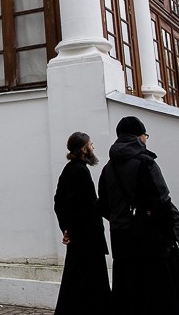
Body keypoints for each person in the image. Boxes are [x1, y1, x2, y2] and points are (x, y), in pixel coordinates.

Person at [98, 116, 179, 315]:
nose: (146, 139)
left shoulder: (107, 169)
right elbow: (161, 201)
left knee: (128, 294)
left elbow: (102, 205)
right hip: (150, 239)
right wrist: (170, 232)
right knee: (159, 294)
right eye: (145, 135)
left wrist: (121, 219)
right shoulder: (145, 162)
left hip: (120, 239)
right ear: (138, 136)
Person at [53, 132, 111, 314]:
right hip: (88, 238)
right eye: (91, 145)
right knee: (90, 282)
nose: (93, 148)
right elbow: (85, 206)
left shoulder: (69, 169)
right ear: (84, 149)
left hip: (79, 236)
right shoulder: (80, 171)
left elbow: (59, 202)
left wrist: (66, 229)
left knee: (75, 280)